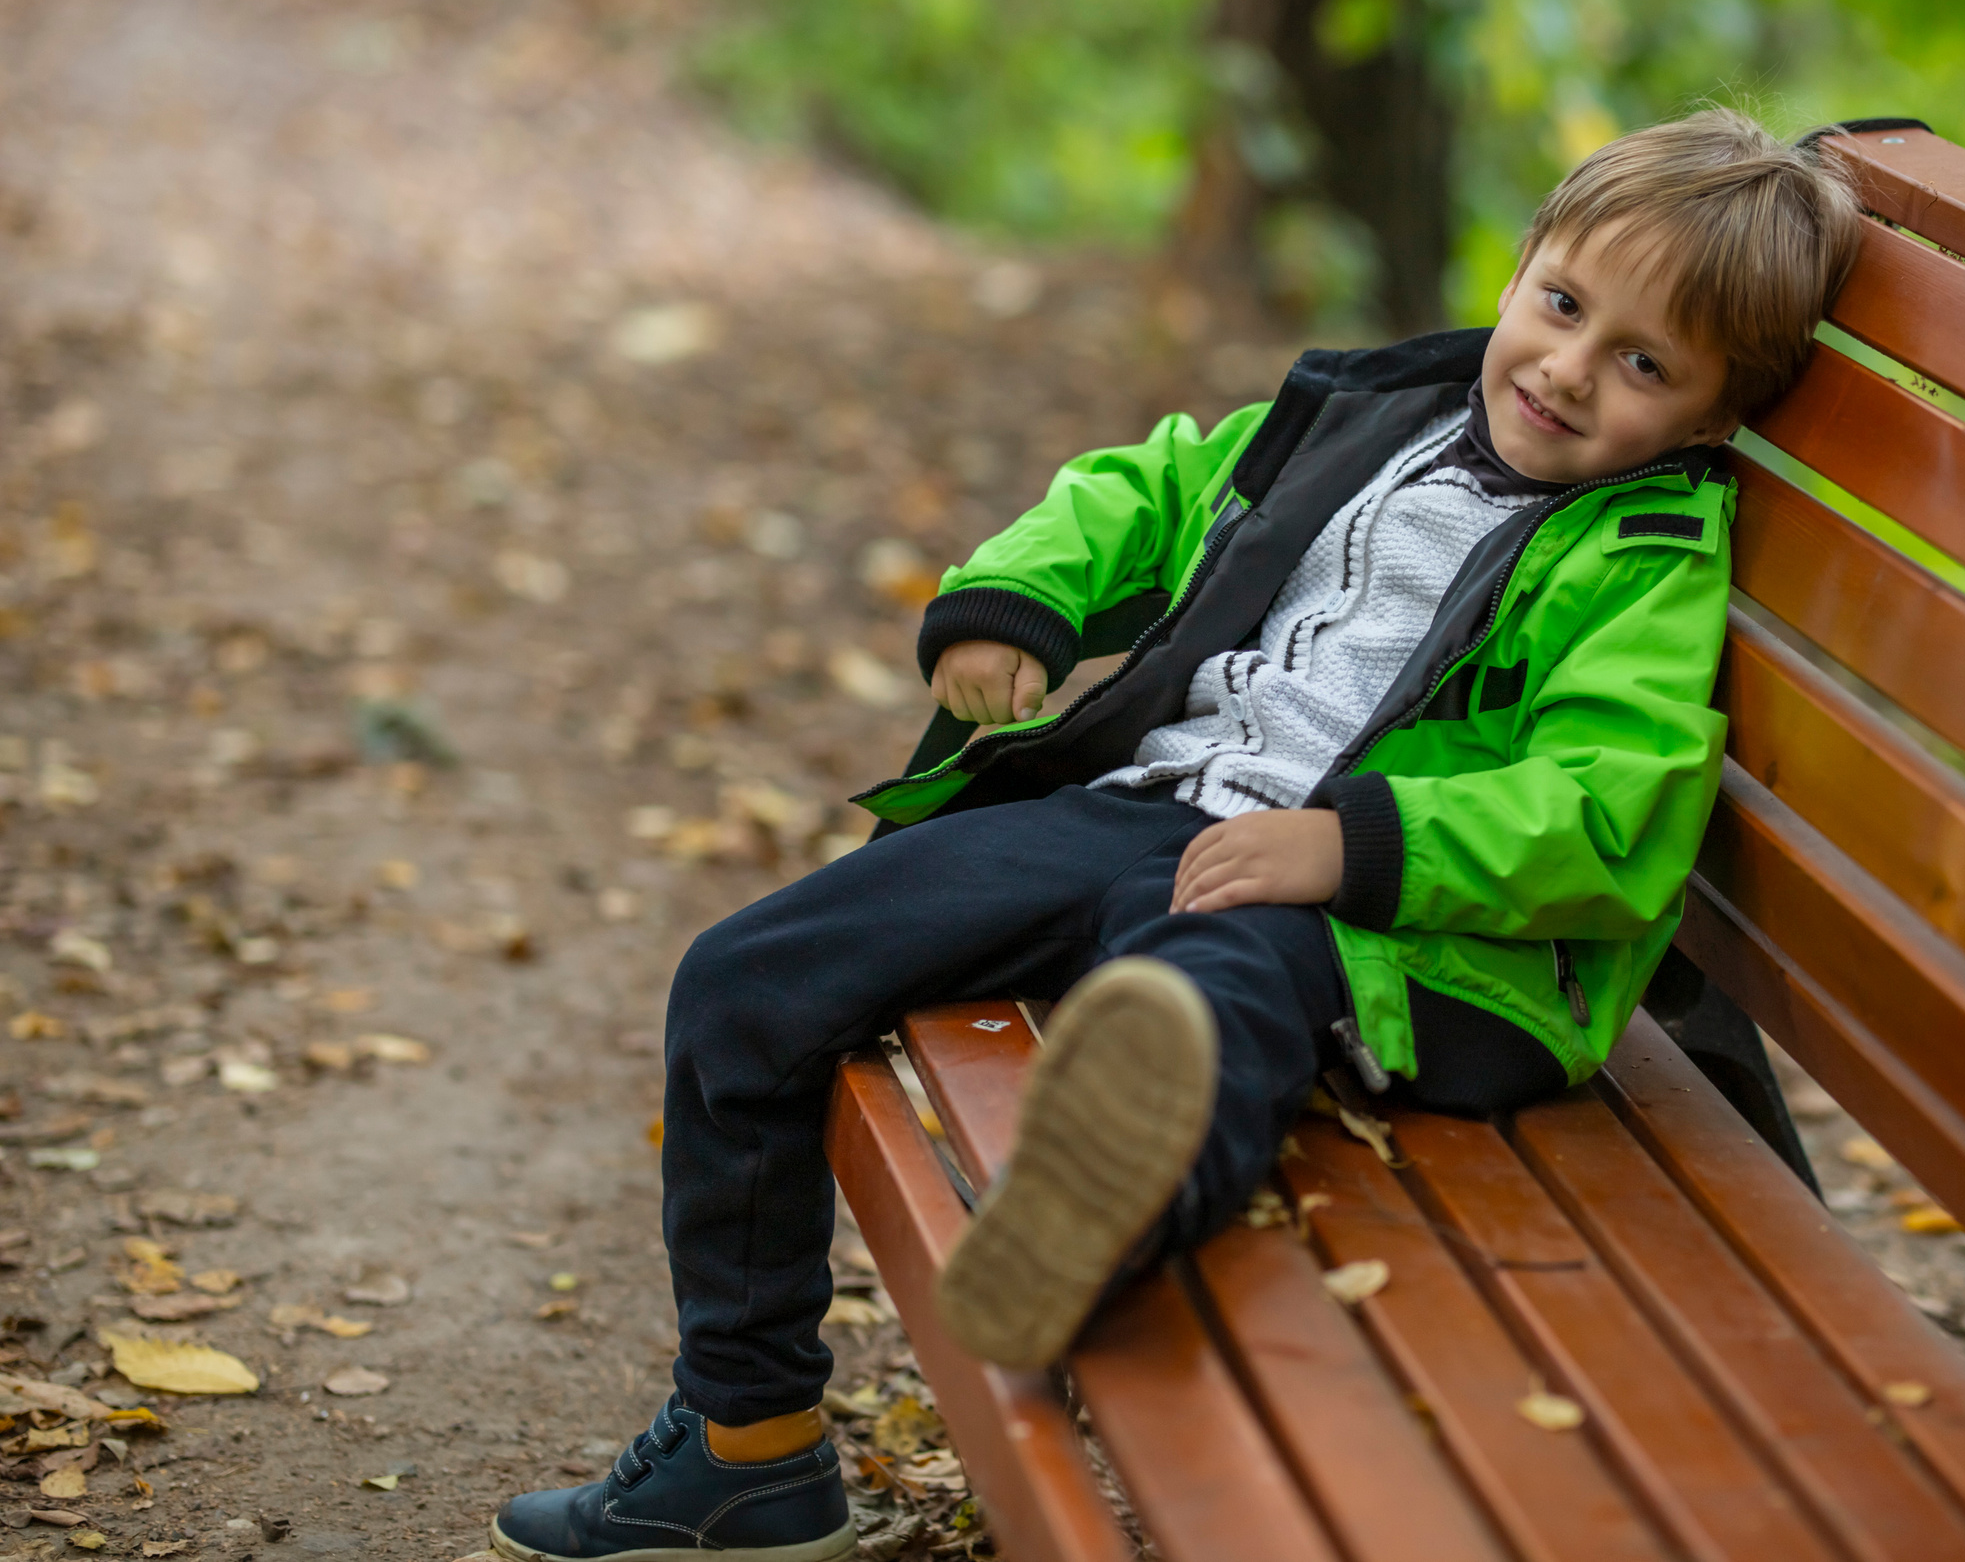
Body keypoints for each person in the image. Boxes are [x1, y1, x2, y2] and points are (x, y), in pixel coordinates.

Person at [487, 106, 1863, 1562]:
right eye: (1564, 306)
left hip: (1387, 924)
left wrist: (1354, 845)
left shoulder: (1643, 559)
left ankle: (1102, 1216)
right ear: (1519, 268)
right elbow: (1152, 489)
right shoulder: (1385, 415)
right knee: (747, 979)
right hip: (1156, 812)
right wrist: (1017, 599)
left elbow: (1611, 795)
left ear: (1714, 416)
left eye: (1643, 363)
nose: (1569, 372)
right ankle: (745, 1445)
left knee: (1210, 998)